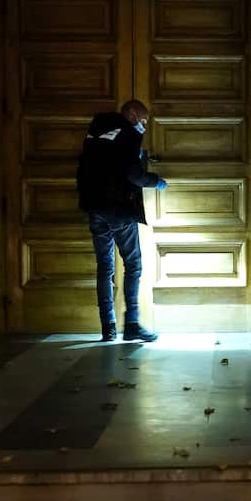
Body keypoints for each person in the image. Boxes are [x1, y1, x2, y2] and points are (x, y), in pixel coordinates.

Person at [75, 100, 167, 343]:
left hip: (94, 207)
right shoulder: (128, 133)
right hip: (118, 209)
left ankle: (108, 328)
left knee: (105, 268)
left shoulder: (94, 132)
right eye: (144, 122)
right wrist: (155, 180)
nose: (144, 128)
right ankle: (132, 325)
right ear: (133, 114)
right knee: (133, 265)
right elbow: (132, 174)